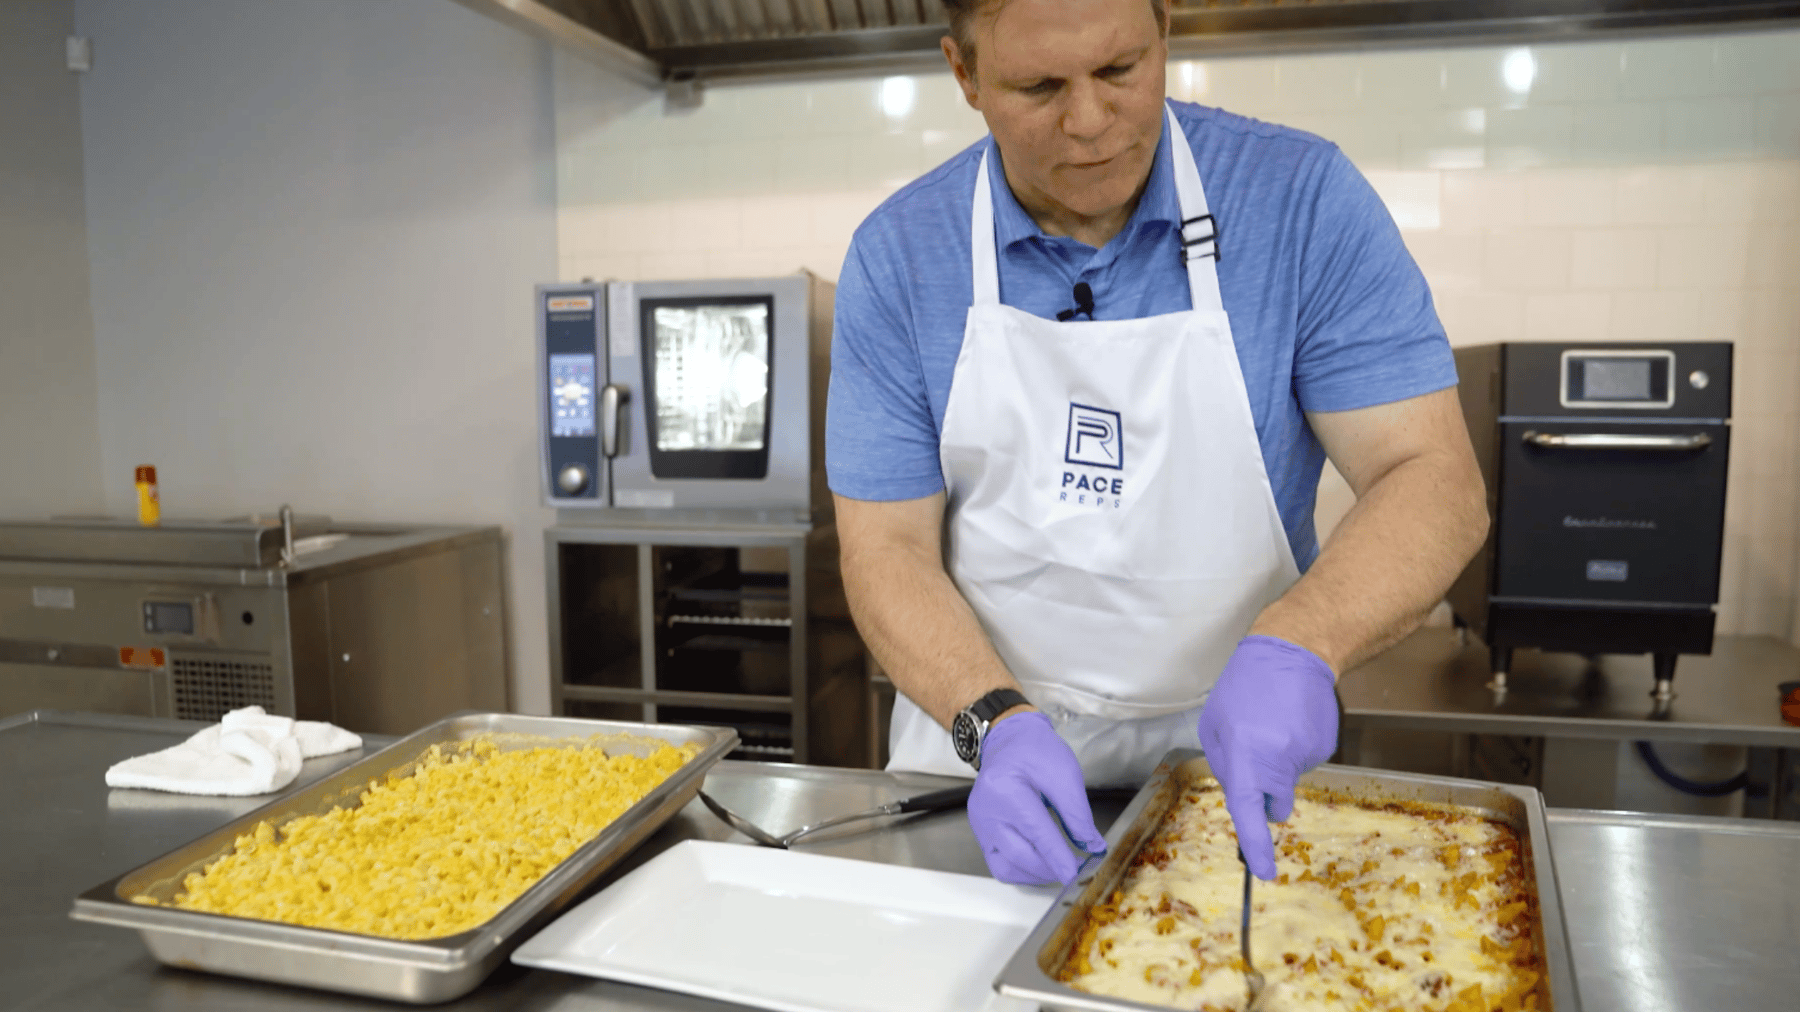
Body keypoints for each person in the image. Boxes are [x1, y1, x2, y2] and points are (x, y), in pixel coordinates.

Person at [824, 0, 1487, 886]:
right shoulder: (902, 255)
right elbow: (885, 549)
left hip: (1239, 774)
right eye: (1039, 87)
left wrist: (1304, 644)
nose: (1090, 121)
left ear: (1166, 34)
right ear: (965, 75)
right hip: (985, 774)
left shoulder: (1299, 203)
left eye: (1121, 71)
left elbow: (1432, 475)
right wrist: (994, 723)